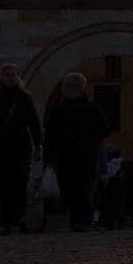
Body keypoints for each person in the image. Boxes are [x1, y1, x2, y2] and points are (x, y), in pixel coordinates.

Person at [0, 64, 43, 234]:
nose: (10, 77)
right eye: (7, 74)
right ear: (2, 77)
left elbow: (34, 122)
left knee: (20, 181)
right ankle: (7, 220)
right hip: (1, 147)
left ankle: (19, 217)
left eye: (13, 74)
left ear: (18, 77)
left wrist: (38, 144)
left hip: (21, 146)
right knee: (5, 184)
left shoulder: (25, 97)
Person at [43, 72, 108, 233]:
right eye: (65, 86)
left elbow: (50, 135)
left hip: (78, 157)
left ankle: (81, 222)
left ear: (78, 89)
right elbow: (49, 134)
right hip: (74, 157)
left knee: (79, 190)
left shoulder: (61, 109)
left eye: (68, 86)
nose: (65, 89)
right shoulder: (87, 108)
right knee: (77, 190)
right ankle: (80, 222)